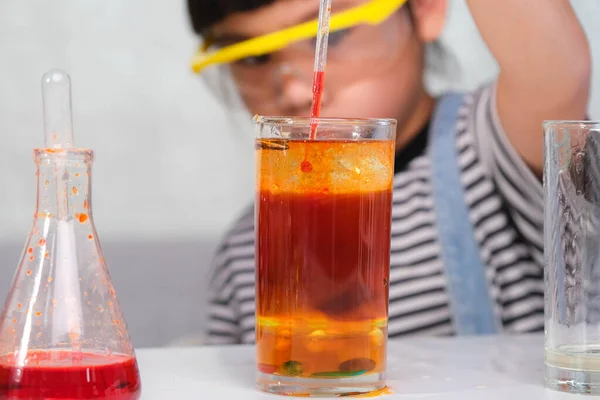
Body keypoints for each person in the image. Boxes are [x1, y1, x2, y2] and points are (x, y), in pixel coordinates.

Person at [187, 0, 592, 344]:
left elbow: (559, 72)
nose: (295, 92)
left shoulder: (489, 145)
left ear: (424, 8)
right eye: (254, 57)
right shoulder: (243, 252)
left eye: (331, 35)